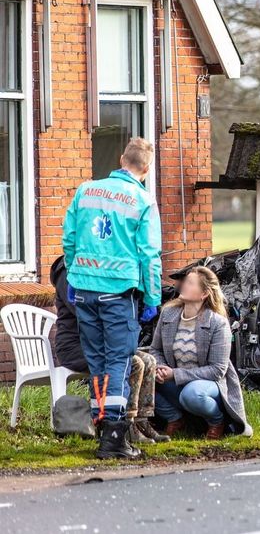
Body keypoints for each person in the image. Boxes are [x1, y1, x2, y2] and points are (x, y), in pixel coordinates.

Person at [62, 138, 162, 459]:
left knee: (97, 363)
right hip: (119, 294)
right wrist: (152, 297)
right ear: (146, 169)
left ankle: (103, 428)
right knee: (118, 362)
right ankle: (114, 438)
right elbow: (150, 256)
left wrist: (75, 275)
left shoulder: (86, 190)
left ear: (121, 159)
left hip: (86, 291)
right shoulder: (142, 200)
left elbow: (70, 239)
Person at [50, 257, 166, 444]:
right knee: (133, 363)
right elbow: (84, 311)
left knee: (148, 360)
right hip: (75, 345)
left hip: (103, 342)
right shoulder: (68, 273)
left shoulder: (93, 265)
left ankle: (140, 420)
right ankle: (123, 424)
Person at [149, 267, 252, 439]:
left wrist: (174, 374)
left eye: (190, 283)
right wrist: (160, 368)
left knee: (192, 394)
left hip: (207, 385)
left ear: (204, 294)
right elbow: (155, 349)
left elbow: (218, 370)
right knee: (139, 375)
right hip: (174, 381)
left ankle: (217, 421)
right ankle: (174, 418)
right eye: (185, 281)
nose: (183, 285)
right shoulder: (168, 313)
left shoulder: (218, 323)